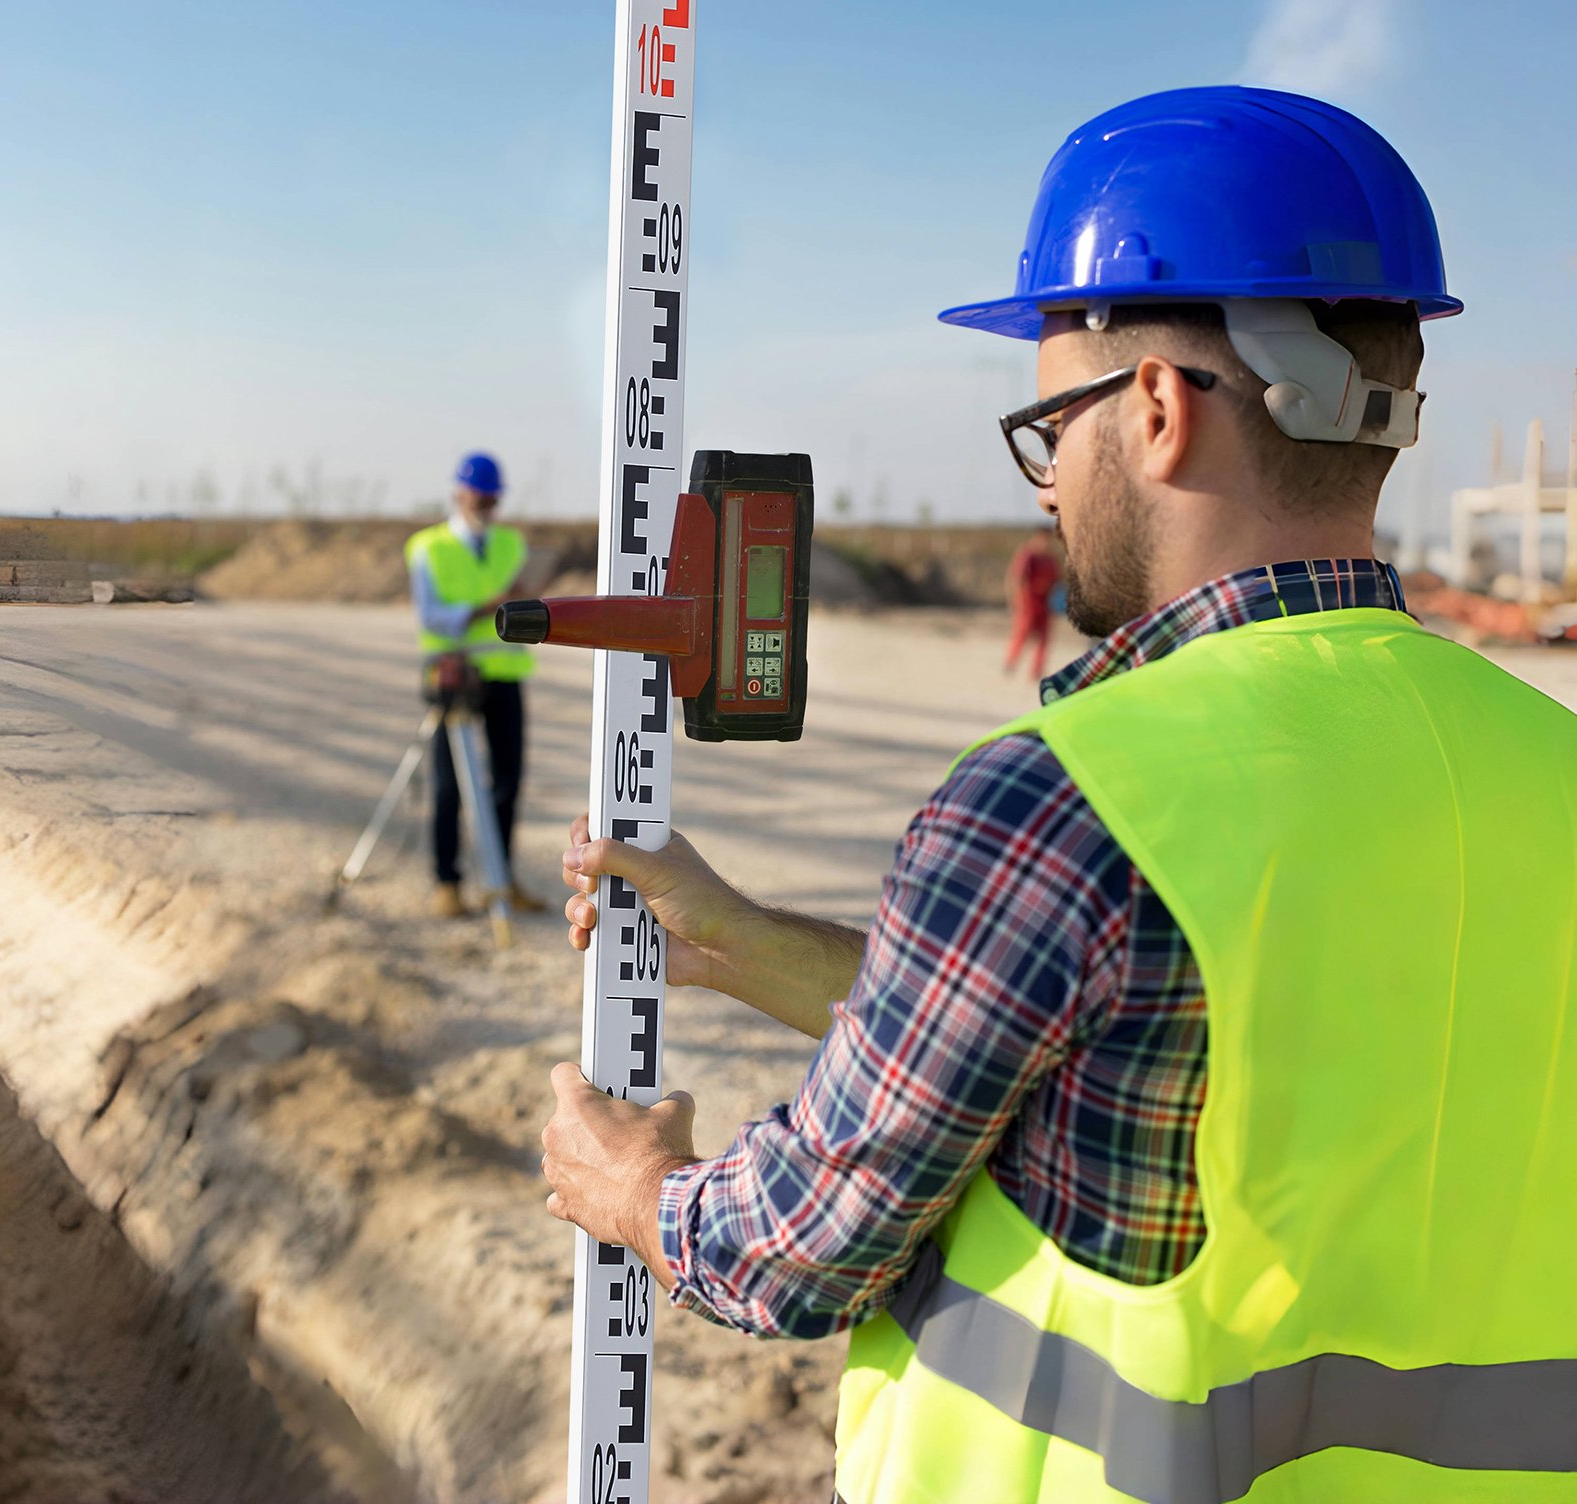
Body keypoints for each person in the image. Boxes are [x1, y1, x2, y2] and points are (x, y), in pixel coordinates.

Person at [540, 87, 1577, 1501]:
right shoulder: (1544, 766)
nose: (1043, 488)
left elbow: (795, 1249)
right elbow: (1133, 1049)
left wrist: (633, 1193)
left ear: (1153, 409)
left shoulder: (1071, 801)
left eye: (1047, 428)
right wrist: (740, 945)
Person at [406, 452, 546, 917]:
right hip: (455, 675)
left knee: (507, 782)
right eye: (480, 498)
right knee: (448, 785)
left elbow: (524, 600)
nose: (487, 507)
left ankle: (500, 879)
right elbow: (432, 617)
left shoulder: (511, 543)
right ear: (459, 494)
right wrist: (489, 607)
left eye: (493, 500)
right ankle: (446, 883)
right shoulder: (428, 547)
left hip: (505, 674)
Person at [1002, 524, 1060, 679]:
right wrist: (1016, 601)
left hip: (1045, 602)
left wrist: (1056, 604)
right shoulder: (1028, 554)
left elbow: (1056, 582)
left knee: (1044, 638)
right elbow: (1017, 578)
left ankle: (1036, 670)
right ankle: (1011, 662)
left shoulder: (1050, 558)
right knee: (1022, 633)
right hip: (1028, 600)